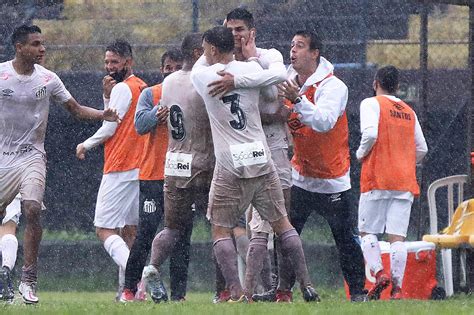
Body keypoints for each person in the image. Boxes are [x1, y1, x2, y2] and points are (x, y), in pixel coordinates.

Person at [191, 26, 319, 303]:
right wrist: (245, 64)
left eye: (206, 48)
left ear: (212, 49)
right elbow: (278, 71)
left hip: (229, 162)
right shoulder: (248, 71)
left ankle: (236, 292)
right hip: (261, 157)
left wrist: (224, 54)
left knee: (221, 228)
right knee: (283, 225)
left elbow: (202, 62)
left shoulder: (202, 75)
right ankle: (307, 285)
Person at [0, 24, 119, 304]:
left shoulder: (48, 79)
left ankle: (28, 279)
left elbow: (76, 110)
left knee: (31, 208)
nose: (42, 49)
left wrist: (104, 114)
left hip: (32, 157)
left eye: (42, 44)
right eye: (35, 44)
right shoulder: (2, 75)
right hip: (2, 159)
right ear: (19, 47)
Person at [277, 30, 367, 302]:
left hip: (332, 180)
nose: (293, 51)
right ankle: (283, 292)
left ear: (315, 53)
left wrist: (298, 101)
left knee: (344, 240)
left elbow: (324, 122)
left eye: (300, 46)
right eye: (291, 45)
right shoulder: (286, 80)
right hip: (300, 176)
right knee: (286, 235)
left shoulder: (333, 86)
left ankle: (358, 293)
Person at [208, 7, 290, 301]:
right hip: (236, 151)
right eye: (230, 30)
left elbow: (276, 83)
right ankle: (238, 291)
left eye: (240, 29)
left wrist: (246, 70)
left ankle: (283, 289)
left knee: (279, 220)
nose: (235, 35)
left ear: (252, 32)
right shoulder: (219, 66)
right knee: (230, 223)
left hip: (273, 146)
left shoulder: (269, 57)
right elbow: (269, 107)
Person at [142, 33, 216, 303]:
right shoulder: (202, 80)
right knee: (221, 226)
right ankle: (226, 290)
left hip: (174, 161)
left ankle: (152, 266)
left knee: (172, 227)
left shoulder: (168, 82)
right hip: (203, 161)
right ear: (198, 52)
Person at [75, 39, 146, 300]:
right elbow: (118, 116)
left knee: (103, 228)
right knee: (130, 231)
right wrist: (106, 97)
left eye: (114, 62)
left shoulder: (123, 88)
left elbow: (109, 126)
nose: (109, 66)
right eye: (106, 62)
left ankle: (138, 279)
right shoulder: (142, 87)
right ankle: (128, 293)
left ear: (128, 61)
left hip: (119, 166)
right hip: (141, 167)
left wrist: (85, 144)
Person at [119, 49, 187, 302]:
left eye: (177, 67)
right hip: (152, 175)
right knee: (145, 233)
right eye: (167, 67)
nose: (171, 72)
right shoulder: (150, 93)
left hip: (182, 174)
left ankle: (179, 295)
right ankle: (129, 288)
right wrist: (154, 115)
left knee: (182, 235)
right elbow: (139, 125)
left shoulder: (191, 93)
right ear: (162, 70)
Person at [356, 65, 427, 300]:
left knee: (367, 232)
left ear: (375, 83)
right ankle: (397, 288)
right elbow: (422, 148)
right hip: (404, 180)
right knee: (397, 237)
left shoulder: (370, 103)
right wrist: (404, 159)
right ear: (397, 87)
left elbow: (370, 135)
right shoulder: (408, 111)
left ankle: (379, 273)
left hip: (378, 176)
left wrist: (360, 154)